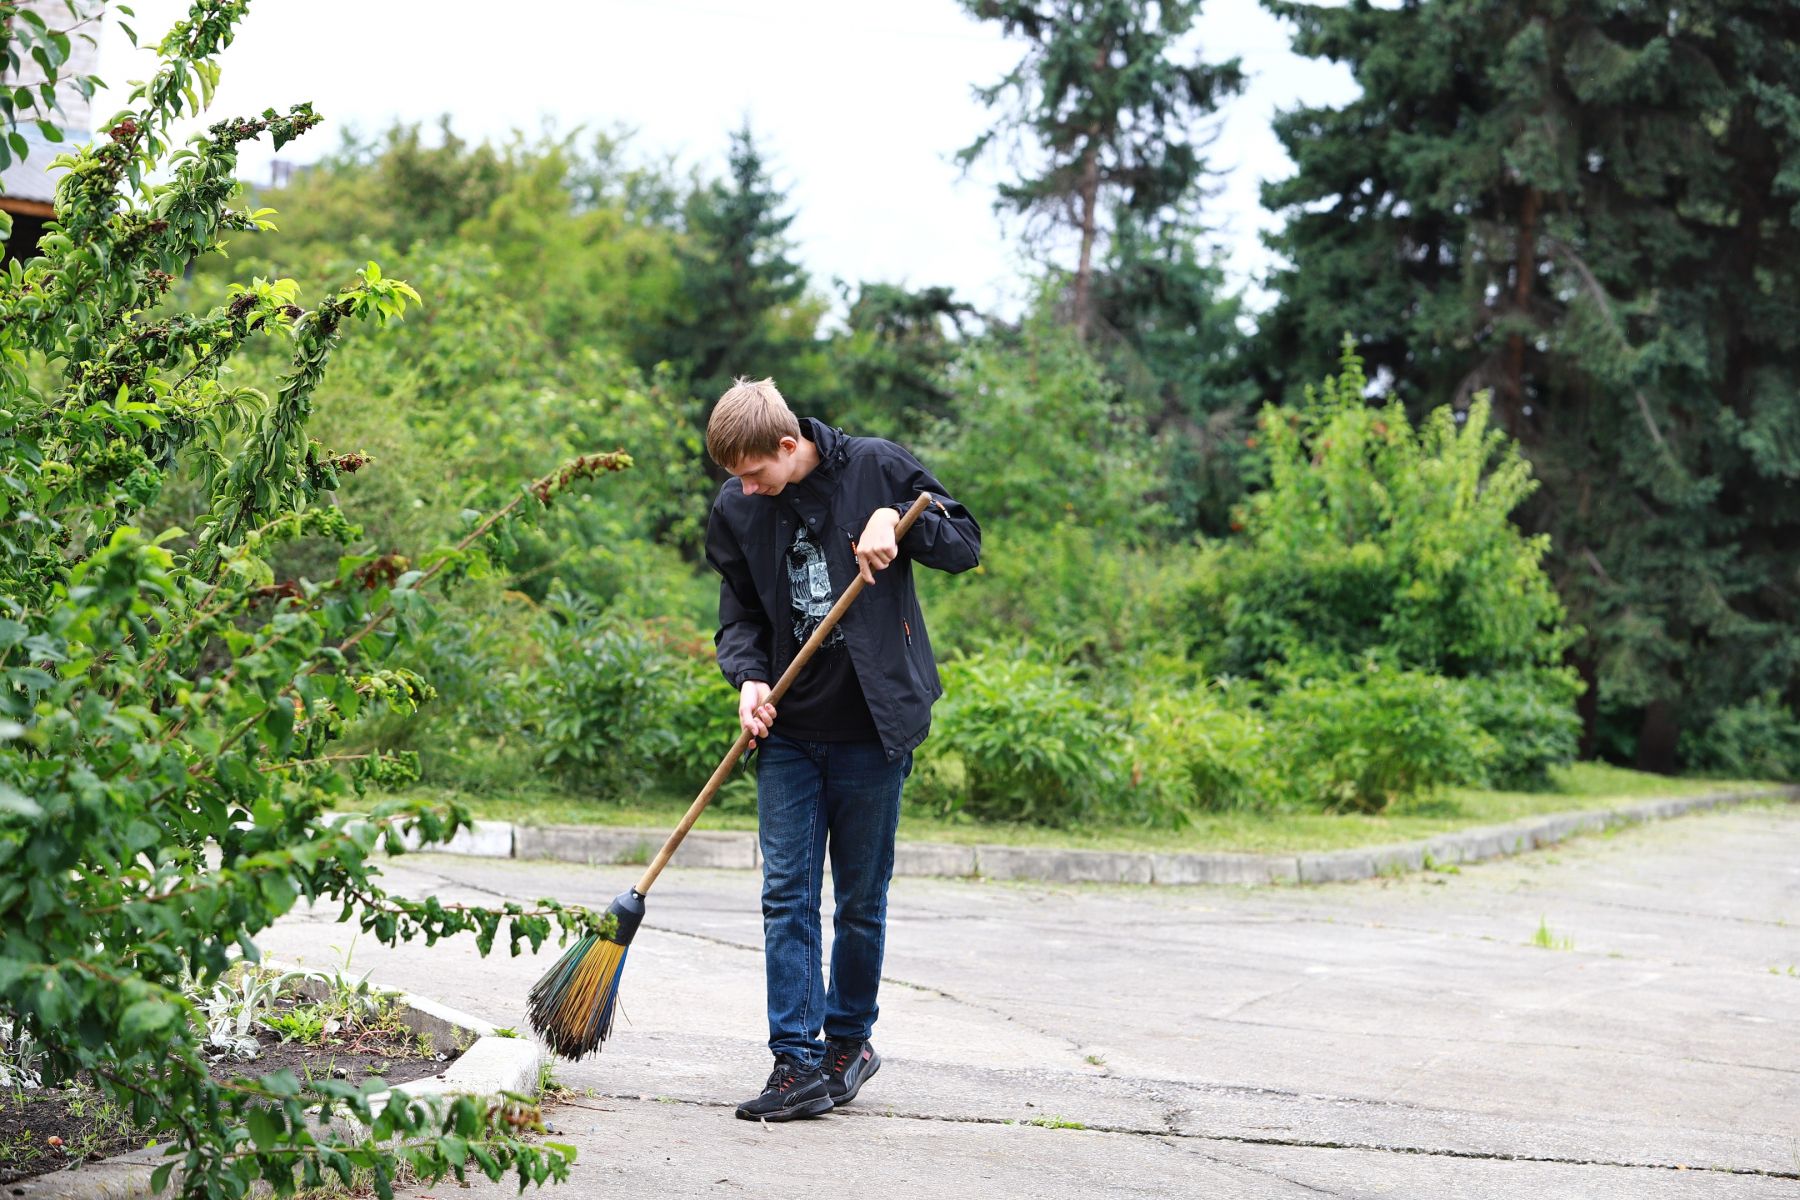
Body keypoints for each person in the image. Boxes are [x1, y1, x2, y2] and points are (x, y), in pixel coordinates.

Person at [703, 377, 981, 1122]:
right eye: (736, 478)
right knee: (785, 896)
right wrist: (748, 677)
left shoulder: (876, 467)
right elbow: (739, 612)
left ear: (787, 444)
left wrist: (897, 517)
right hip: (789, 732)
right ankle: (795, 1062)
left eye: (755, 473)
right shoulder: (738, 507)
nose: (746, 489)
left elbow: (963, 543)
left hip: (872, 730)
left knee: (860, 901)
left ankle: (848, 1046)